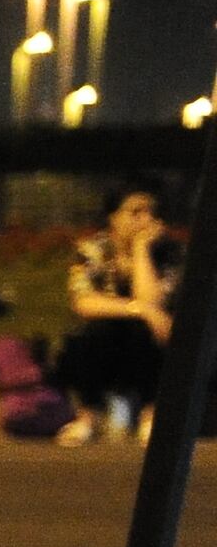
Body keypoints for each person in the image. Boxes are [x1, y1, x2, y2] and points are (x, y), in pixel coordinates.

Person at [53, 182, 185, 447]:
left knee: (146, 330)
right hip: (107, 343)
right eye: (135, 212)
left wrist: (140, 250)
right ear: (113, 217)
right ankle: (88, 418)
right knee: (91, 331)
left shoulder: (168, 252)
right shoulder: (94, 249)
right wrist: (140, 309)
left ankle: (151, 415)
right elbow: (84, 301)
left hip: (151, 344)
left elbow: (153, 300)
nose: (145, 219)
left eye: (150, 212)